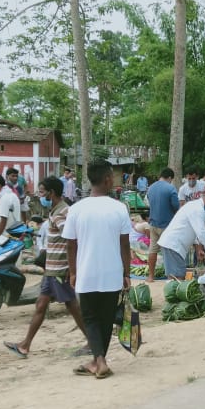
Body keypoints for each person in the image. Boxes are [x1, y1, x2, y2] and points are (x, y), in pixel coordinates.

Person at [4, 177, 90, 359]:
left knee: (72, 307)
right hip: (53, 269)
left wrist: (71, 268)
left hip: (59, 269)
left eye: (42, 192)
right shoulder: (59, 210)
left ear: (51, 193)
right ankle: (25, 345)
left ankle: (92, 341)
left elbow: (71, 239)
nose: (40, 195)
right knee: (42, 305)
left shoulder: (60, 213)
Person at [62, 160, 132, 379]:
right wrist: (127, 273)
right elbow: (125, 245)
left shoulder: (76, 209)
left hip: (86, 273)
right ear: (107, 179)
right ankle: (98, 361)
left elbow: (70, 245)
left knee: (90, 318)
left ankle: (98, 361)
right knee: (106, 318)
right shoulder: (119, 208)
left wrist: (72, 272)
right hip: (112, 274)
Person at [157, 191, 205, 279]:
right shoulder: (197, 209)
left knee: (176, 276)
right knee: (177, 277)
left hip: (174, 245)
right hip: (173, 245)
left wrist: (198, 249)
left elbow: (195, 231)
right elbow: (201, 232)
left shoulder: (194, 206)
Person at [146, 168, 180, 282]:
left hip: (153, 223)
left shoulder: (150, 188)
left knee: (152, 250)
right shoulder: (170, 188)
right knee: (168, 251)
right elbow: (176, 206)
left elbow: (150, 203)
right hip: (167, 225)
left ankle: (150, 276)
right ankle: (170, 276)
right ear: (170, 178)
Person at [0, 174, 22, 244]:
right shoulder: (11, 195)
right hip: (11, 235)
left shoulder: (5, 198)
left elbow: (3, 220)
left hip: (3, 238)